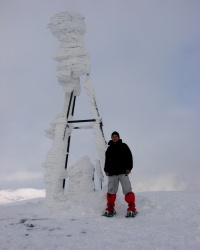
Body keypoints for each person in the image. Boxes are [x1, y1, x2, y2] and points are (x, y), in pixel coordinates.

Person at [103, 131, 137, 217]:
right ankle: (110, 208)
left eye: (116, 136)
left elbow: (129, 157)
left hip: (123, 172)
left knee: (127, 190)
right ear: (111, 138)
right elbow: (107, 160)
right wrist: (106, 169)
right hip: (112, 173)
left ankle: (132, 208)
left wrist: (129, 168)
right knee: (111, 191)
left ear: (118, 137)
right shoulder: (109, 149)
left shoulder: (124, 146)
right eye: (113, 136)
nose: (114, 138)